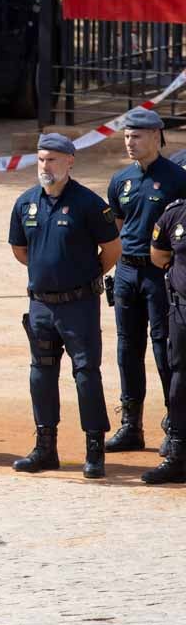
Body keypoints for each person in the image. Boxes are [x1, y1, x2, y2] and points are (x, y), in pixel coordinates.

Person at [8, 133, 120, 479]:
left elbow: (112, 249)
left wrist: (80, 278)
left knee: (86, 374)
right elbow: (20, 250)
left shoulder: (88, 203)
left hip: (79, 305)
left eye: (53, 159)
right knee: (40, 375)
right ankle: (45, 448)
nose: (46, 166)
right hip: (41, 306)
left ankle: (94, 450)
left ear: (70, 161)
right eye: (42, 159)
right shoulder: (26, 202)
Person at [103, 108, 186, 456]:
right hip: (126, 272)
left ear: (155, 136)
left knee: (164, 348)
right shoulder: (120, 180)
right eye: (126, 136)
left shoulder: (177, 179)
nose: (130, 142)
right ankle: (130, 425)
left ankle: (175, 423)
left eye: (136, 136)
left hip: (159, 275)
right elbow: (120, 227)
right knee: (127, 349)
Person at [146, 199, 186, 483]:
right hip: (183, 310)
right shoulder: (176, 213)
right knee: (180, 383)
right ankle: (178, 457)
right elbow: (159, 255)